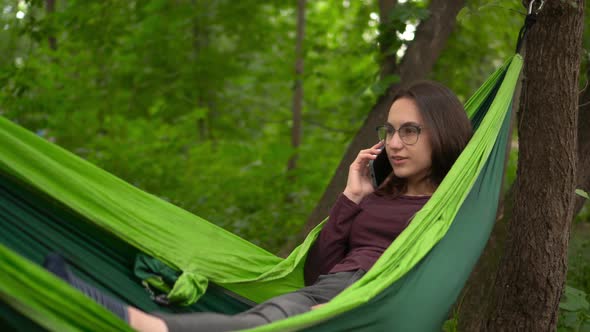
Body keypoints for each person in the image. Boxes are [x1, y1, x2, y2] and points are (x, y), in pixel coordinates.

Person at [44, 80, 473, 332]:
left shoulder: (449, 208)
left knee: (270, 321)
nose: (395, 144)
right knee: (264, 318)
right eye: (391, 131)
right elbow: (320, 268)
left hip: (372, 301)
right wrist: (352, 196)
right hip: (327, 289)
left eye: (411, 131)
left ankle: (133, 321)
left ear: (441, 131)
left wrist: (353, 306)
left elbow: (424, 284)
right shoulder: (379, 196)